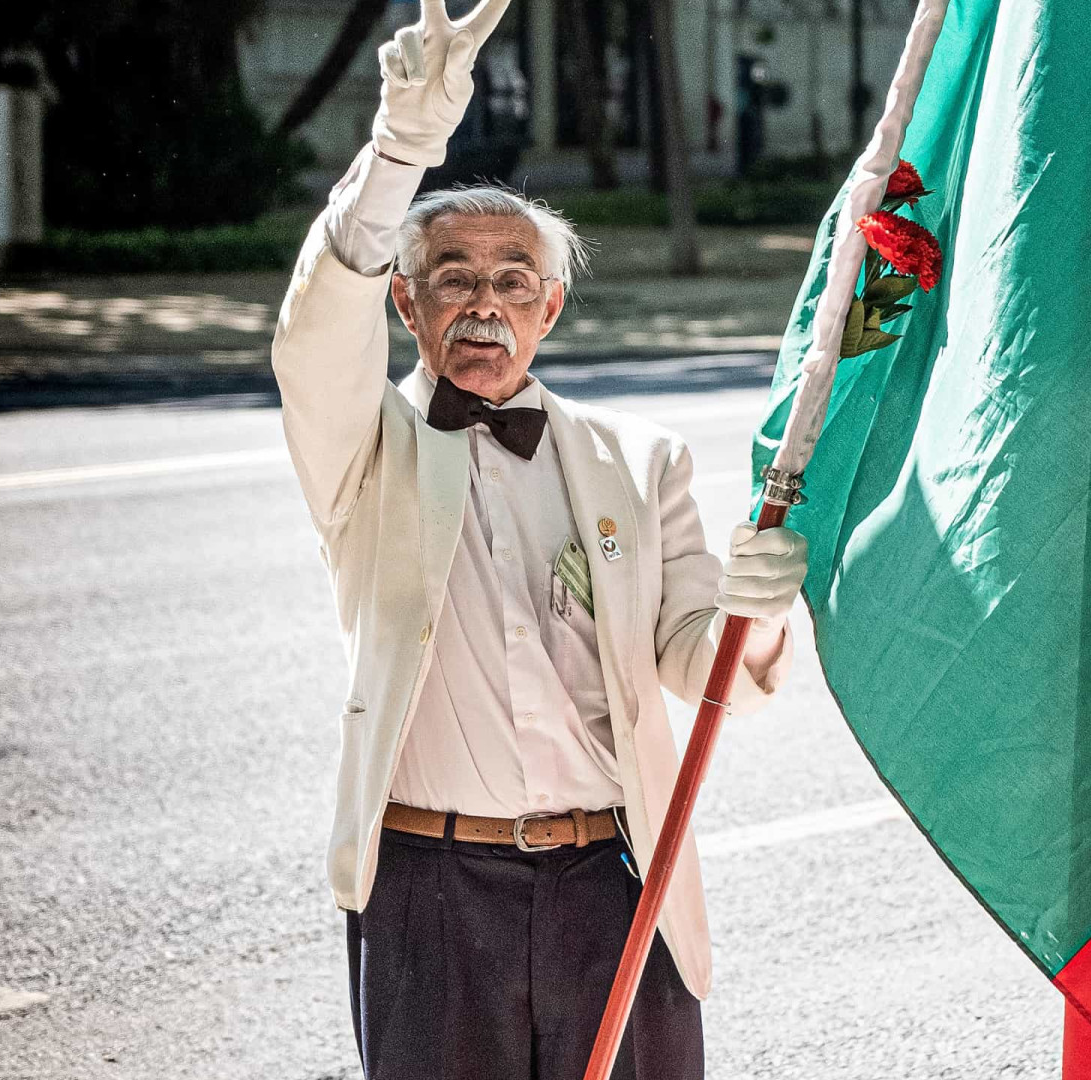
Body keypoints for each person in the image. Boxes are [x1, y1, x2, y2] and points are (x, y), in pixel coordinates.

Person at [269, 3, 809, 1077]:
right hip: (430, 892)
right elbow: (316, 329)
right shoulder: (362, 450)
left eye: (512, 280)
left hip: (615, 880)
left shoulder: (636, 459)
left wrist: (758, 619)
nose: (484, 304)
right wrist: (401, 148)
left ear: (550, 308)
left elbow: (697, 660)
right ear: (410, 311)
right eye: (453, 281)